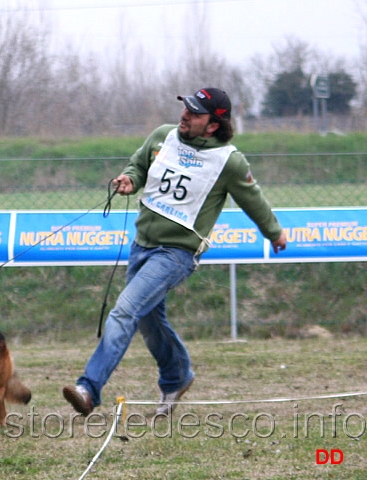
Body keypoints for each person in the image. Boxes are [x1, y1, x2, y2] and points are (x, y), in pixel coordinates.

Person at [63, 87, 288, 417]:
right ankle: (177, 377)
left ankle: (89, 389)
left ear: (213, 125)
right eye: (186, 108)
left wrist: (274, 232)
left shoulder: (230, 162)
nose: (185, 115)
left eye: (195, 113)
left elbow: (252, 199)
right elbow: (138, 165)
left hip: (176, 254)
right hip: (141, 245)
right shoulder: (163, 136)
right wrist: (129, 178)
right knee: (150, 322)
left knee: (125, 310)